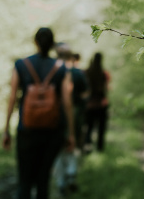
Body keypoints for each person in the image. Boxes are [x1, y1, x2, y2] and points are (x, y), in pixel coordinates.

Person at [2, 27, 75, 199]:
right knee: (43, 181)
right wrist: (70, 133)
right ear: (52, 45)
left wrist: (6, 129)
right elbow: (67, 102)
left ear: (35, 42)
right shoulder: (61, 68)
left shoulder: (21, 65)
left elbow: (12, 97)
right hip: (53, 131)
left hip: (26, 130)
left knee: (25, 181)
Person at [53, 45, 87, 196]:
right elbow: (86, 93)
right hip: (74, 114)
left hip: (54, 116)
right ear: (72, 58)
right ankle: (71, 173)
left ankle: (61, 181)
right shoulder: (78, 74)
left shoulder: (52, 73)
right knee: (72, 144)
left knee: (58, 149)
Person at [84, 52, 110, 153]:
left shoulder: (86, 72)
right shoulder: (103, 73)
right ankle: (100, 148)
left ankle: (87, 146)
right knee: (101, 128)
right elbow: (106, 89)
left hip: (89, 105)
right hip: (101, 104)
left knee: (89, 127)